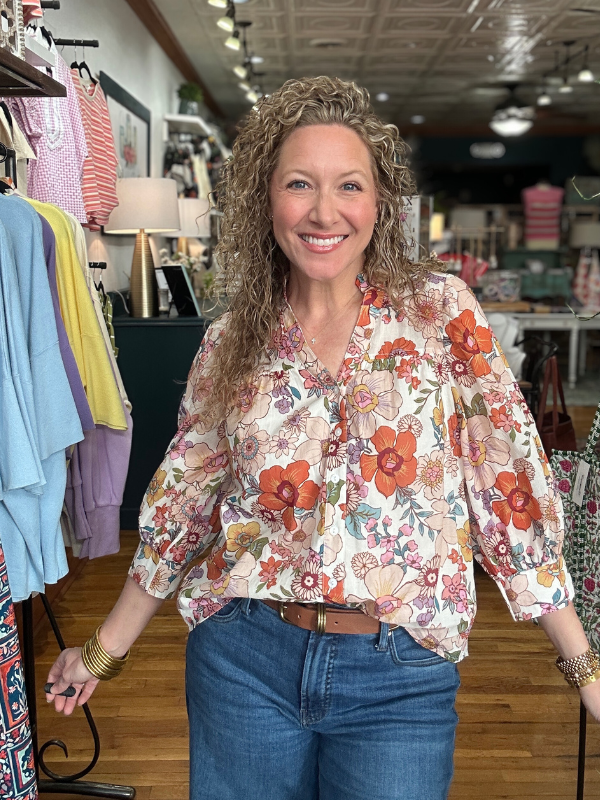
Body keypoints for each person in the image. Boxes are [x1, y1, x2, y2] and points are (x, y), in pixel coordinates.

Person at [46, 76, 600, 800]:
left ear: (379, 202)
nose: (324, 211)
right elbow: (185, 501)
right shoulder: (232, 340)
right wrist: (104, 650)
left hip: (399, 675)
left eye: (349, 186)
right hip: (243, 660)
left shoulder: (440, 314)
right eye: (300, 184)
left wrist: (585, 668)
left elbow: (509, 489)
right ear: (266, 199)